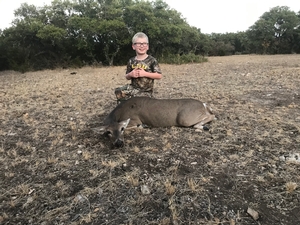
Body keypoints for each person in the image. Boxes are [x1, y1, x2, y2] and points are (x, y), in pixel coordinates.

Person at [115, 32, 162, 103]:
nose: (142, 46)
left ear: (148, 46)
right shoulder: (131, 61)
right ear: (133, 46)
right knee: (118, 91)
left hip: (146, 91)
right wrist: (131, 74)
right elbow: (127, 76)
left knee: (137, 98)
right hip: (133, 88)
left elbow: (159, 76)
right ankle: (124, 111)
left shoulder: (152, 60)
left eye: (144, 43)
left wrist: (145, 74)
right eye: (139, 43)